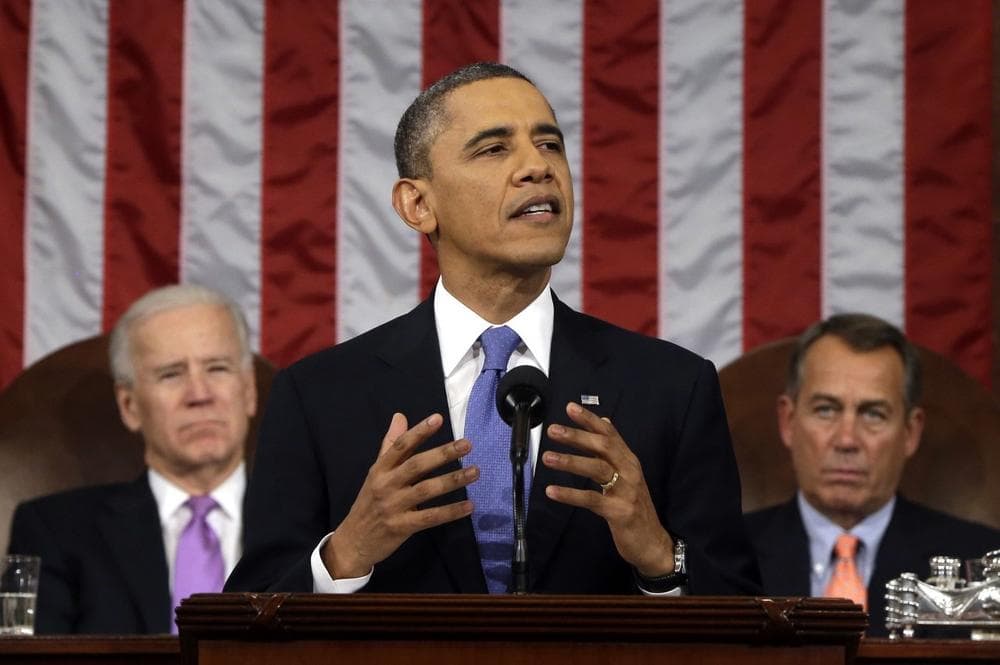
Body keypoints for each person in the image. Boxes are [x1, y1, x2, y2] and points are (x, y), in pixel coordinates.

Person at [226, 62, 759, 597]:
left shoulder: (672, 388)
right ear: (418, 204)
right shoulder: (318, 396)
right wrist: (346, 553)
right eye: (494, 149)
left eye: (550, 144)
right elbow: (246, 621)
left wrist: (658, 555)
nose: (537, 167)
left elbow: (744, 614)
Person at [6, 284, 257, 634]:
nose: (200, 394)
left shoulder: (317, 524)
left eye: (217, 368)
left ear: (248, 390)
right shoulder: (55, 531)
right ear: (130, 406)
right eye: (171, 374)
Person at [744, 313, 1000, 635]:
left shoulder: (979, 565)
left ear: (910, 431)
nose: (847, 440)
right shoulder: (726, 555)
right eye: (826, 409)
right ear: (788, 421)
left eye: (873, 414)